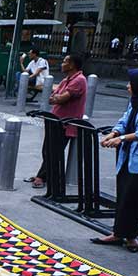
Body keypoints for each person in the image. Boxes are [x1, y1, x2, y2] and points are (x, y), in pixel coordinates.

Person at [93, 69, 138, 251]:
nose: (128, 86)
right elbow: (124, 120)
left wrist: (120, 139)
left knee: (133, 197)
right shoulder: (134, 103)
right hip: (127, 156)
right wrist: (113, 133)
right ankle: (118, 233)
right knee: (122, 194)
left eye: (131, 83)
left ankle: (131, 237)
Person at [29, 54, 87, 189]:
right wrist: (57, 97)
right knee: (47, 149)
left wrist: (57, 98)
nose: (62, 63)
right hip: (55, 120)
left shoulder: (79, 80)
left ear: (72, 65)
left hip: (66, 123)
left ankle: (42, 177)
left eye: (65, 61)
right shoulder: (67, 80)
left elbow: (60, 99)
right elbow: (52, 97)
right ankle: (46, 175)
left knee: (54, 151)